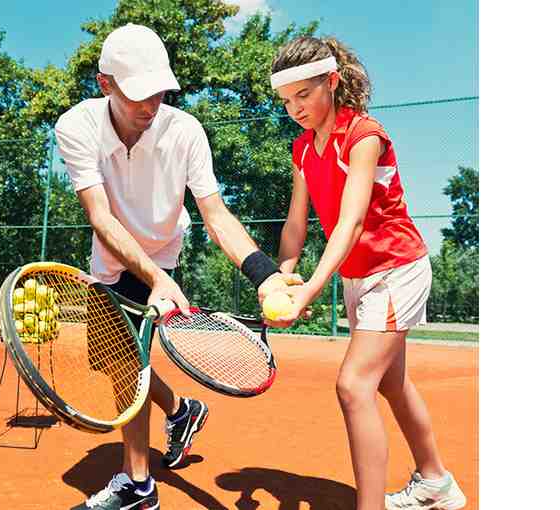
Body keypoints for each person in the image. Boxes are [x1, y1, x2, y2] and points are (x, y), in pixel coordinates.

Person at [55, 23, 299, 510]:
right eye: (138, 94)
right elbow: (100, 215)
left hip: (162, 253)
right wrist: (152, 278)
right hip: (113, 256)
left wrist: (265, 273)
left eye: (160, 92)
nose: (151, 105)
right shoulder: (76, 126)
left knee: (128, 366)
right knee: (115, 364)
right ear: (105, 84)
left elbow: (216, 215)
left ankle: (138, 486)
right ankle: (182, 410)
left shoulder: (185, 131)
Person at [264, 36, 467, 510]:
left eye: (304, 95)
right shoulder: (302, 149)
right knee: (390, 383)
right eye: (287, 100)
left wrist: (310, 291)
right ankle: (436, 482)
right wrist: (282, 276)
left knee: (354, 385)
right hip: (359, 275)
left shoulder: (363, 135)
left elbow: (352, 221)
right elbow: (296, 224)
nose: (295, 109)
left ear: (332, 82)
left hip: (396, 269)